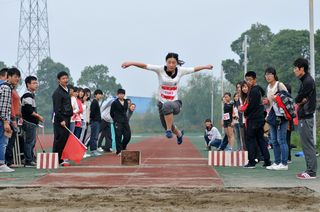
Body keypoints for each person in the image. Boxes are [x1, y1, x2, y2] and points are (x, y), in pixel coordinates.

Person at [122, 53, 213, 144]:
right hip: (161, 103)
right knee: (165, 124)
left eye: (173, 63)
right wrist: (131, 63)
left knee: (168, 106)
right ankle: (179, 134)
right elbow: (145, 66)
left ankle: (169, 130)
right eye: (169, 62)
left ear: (177, 63)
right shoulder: (160, 69)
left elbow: (194, 69)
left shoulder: (181, 71)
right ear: (166, 62)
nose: (171, 65)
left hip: (175, 103)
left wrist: (205, 67)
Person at [293, 58, 317, 180]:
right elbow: (299, 99)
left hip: (307, 116)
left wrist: (300, 100)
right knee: (306, 144)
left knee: (308, 144)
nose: (294, 71)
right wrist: (299, 100)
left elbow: (298, 98)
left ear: (301, 69)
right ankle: (309, 170)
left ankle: (311, 172)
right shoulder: (304, 80)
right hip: (304, 115)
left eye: (295, 68)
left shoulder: (308, 81)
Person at [243, 71, 271, 169]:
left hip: (254, 119)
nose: (248, 81)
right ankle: (267, 161)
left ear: (255, 79)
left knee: (250, 140)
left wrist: (245, 113)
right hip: (260, 118)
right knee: (261, 140)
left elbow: (252, 106)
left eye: (250, 79)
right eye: (246, 80)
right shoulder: (259, 89)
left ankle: (251, 162)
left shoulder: (254, 91)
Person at [264, 67, 289, 171]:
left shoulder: (280, 85)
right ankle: (277, 162)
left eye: (270, 74)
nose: (268, 76)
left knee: (281, 140)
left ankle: (284, 163)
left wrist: (277, 99)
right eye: (266, 74)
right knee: (273, 140)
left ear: (274, 75)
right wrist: (266, 102)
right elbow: (269, 104)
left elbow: (287, 98)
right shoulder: (268, 87)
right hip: (272, 116)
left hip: (282, 116)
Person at [0, 68, 21, 172]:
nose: (17, 79)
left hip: (4, 119)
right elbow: (4, 107)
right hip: (2, 120)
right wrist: (5, 122)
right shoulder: (6, 88)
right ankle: (2, 164)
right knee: (3, 142)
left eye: (18, 76)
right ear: (9, 76)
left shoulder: (5, 87)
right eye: (15, 76)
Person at [21, 76, 44, 167]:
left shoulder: (31, 95)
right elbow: (29, 110)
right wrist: (39, 116)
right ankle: (28, 160)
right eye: (34, 83)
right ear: (28, 84)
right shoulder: (27, 95)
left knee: (32, 141)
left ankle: (30, 158)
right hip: (29, 122)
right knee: (30, 141)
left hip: (32, 122)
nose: (36, 85)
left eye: (36, 83)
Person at [52, 71, 73, 166]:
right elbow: (56, 109)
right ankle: (56, 160)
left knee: (64, 139)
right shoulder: (57, 93)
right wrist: (61, 120)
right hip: (61, 119)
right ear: (58, 80)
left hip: (67, 118)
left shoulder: (67, 90)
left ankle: (61, 158)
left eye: (66, 78)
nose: (66, 80)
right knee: (59, 139)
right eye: (63, 78)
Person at [110, 89, 131, 155]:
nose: (121, 95)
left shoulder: (126, 102)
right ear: (117, 95)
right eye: (120, 94)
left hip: (125, 121)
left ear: (124, 95)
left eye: (122, 94)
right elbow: (111, 113)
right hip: (117, 121)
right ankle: (119, 151)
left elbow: (126, 110)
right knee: (118, 136)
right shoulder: (114, 103)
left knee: (128, 135)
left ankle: (122, 147)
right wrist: (115, 119)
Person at [88, 89, 103, 156]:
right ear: (95, 95)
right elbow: (92, 113)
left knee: (95, 136)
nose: (100, 96)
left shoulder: (96, 102)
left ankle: (94, 149)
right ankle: (93, 150)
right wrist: (93, 120)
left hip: (97, 121)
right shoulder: (94, 102)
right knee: (94, 136)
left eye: (101, 94)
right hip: (95, 122)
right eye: (99, 94)